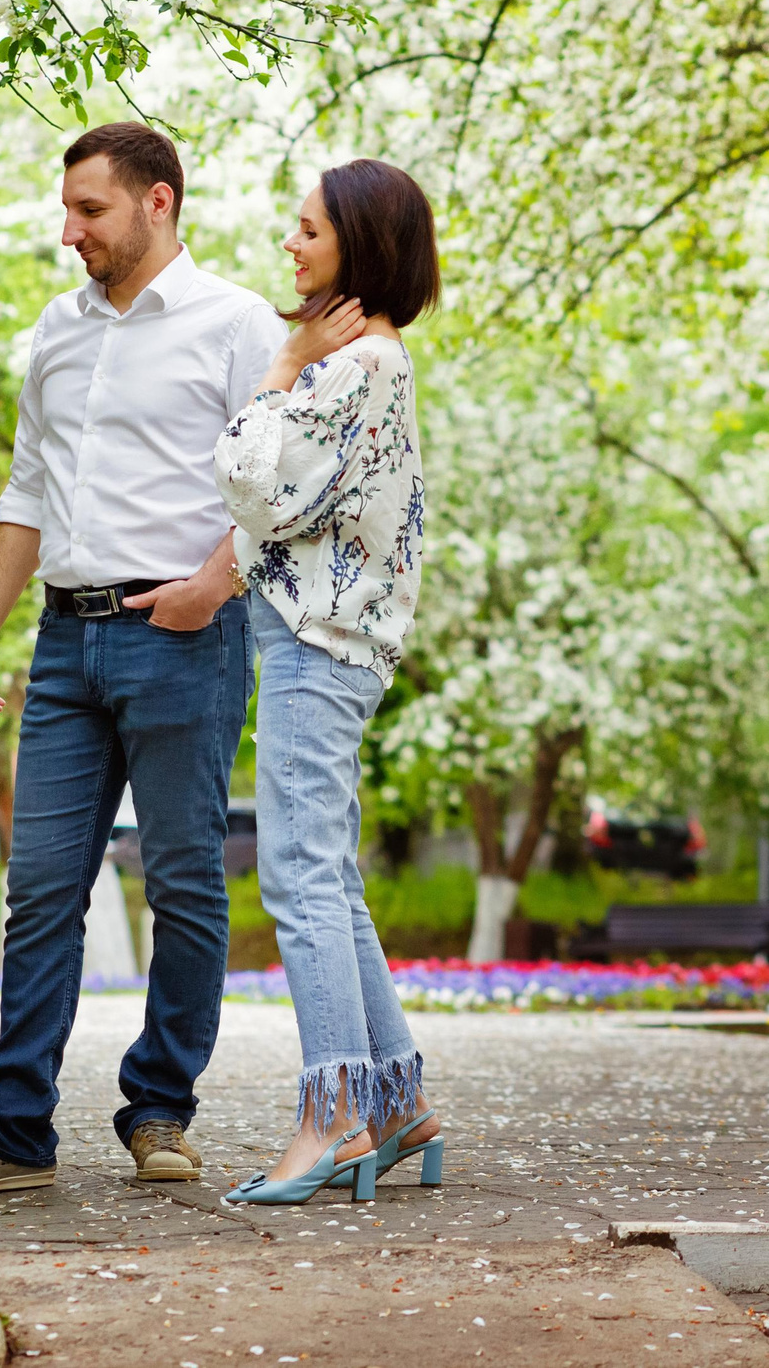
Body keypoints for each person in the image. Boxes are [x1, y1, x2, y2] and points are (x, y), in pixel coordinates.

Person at [0, 122, 283, 1200]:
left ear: (158, 202)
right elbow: (29, 489)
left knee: (184, 884)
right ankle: (12, 1130)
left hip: (183, 635)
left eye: (90, 210)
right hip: (65, 642)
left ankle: (160, 1108)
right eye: (67, 210)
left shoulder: (235, 323)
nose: (70, 232)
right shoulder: (57, 331)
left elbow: (279, 484)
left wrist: (215, 583)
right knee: (39, 891)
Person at [212, 159, 442, 1205]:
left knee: (298, 878)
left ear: (361, 243)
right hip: (333, 644)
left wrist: (281, 364)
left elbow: (251, 483)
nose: (291, 244)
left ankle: (333, 1120)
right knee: (329, 878)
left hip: (316, 645)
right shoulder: (374, 363)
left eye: (309, 229)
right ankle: (397, 1103)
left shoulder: (351, 366)